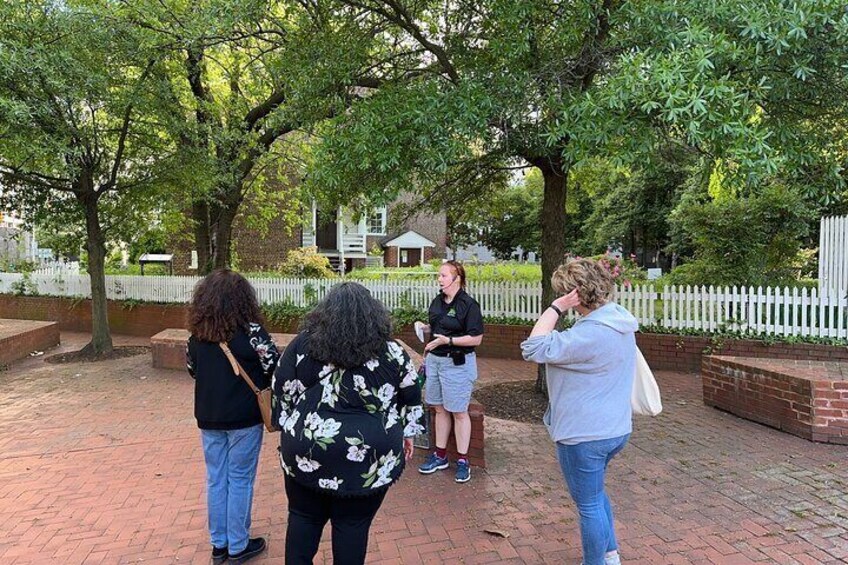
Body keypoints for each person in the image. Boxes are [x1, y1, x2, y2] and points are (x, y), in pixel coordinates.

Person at [273, 282, 424, 565]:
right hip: (367, 457)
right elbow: (411, 395)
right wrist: (408, 434)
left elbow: (281, 389)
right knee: (353, 525)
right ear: (374, 315)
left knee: (303, 517)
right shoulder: (391, 352)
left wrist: (289, 425)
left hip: (307, 450)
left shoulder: (303, 344)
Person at [520, 258, 638, 565]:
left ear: (574, 294)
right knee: (596, 496)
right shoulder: (619, 321)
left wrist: (555, 307)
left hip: (584, 435)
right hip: (616, 428)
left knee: (587, 504)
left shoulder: (589, 334)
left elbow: (532, 348)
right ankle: (610, 556)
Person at [186, 269, 280, 565]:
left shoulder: (197, 336)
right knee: (239, 479)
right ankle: (238, 546)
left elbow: (193, 370)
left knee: (216, 478)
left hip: (209, 415)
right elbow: (273, 365)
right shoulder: (252, 333)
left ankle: (220, 545)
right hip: (243, 417)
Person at [417, 260, 484, 483]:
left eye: (444, 276)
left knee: (458, 411)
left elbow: (476, 338)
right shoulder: (437, 301)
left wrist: (450, 340)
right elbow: (437, 327)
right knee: (438, 408)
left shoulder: (469, 305)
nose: (439, 279)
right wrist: (425, 328)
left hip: (457, 364)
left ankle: (463, 460)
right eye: (439, 275)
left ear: (458, 279)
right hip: (435, 361)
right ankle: (440, 455)